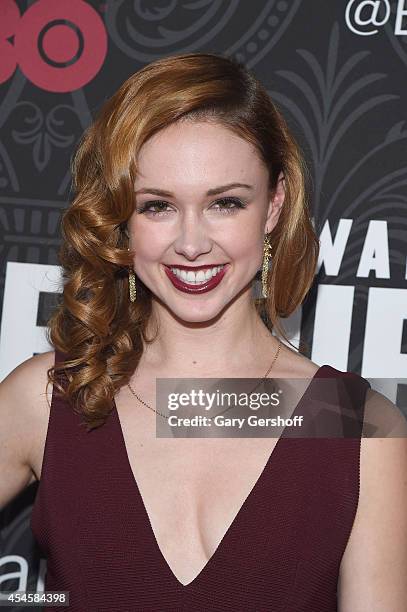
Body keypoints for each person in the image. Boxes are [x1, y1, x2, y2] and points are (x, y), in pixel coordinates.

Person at [0, 52, 406, 612]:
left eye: (225, 202)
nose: (192, 244)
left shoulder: (353, 424)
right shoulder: (48, 398)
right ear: (121, 217)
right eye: (158, 206)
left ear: (273, 205)